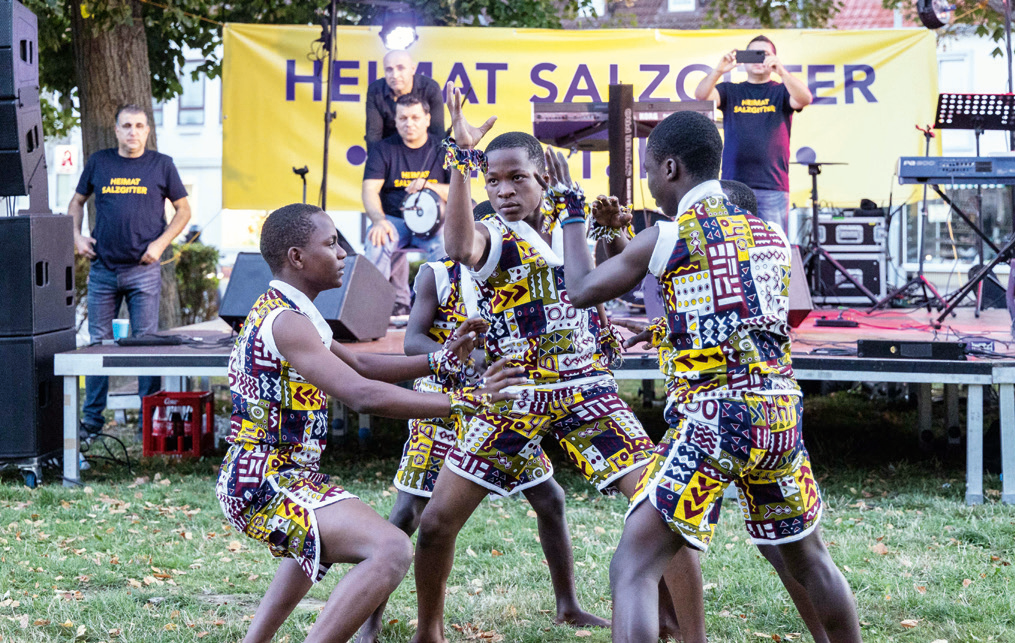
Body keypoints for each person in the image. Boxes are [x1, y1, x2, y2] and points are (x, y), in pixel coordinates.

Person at [408, 83, 706, 643]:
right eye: (492, 180)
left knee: (665, 509)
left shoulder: (575, 217)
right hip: (516, 396)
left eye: (515, 176)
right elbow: (455, 246)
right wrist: (461, 161)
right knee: (435, 525)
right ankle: (430, 631)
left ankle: (683, 631)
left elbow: (616, 274)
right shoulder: (494, 238)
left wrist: (614, 231)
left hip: (589, 390)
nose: (502, 190)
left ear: (543, 176)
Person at [559, 110, 861, 643]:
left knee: (633, 566)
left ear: (671, 167)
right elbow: (727, 319)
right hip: (779, 417)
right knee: (808, 559)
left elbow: (582, 289)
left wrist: (571, 213)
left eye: (650, 172)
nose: (650, 184)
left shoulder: (670, 236)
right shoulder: (768, 235)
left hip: (713, 420)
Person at [215, 203, 524, 643]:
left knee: (313, 545)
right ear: (297, 257)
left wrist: (439, 357)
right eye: (330, 243)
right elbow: (359, 394)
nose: (343, 253)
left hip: (279, 474)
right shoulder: (286, 322)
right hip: (264, 479)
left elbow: (360, 365)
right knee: (392, 548)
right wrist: (464, 401)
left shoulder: (292, 311)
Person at [355, 256, 609, 643]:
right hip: (443, 407)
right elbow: (412, 342)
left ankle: (568, 606)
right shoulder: (438, 274)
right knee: (408, 514)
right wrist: (471, 357)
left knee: (550, 497)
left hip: (501, 411)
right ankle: (369, 623)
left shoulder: (524, 275)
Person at [68, 104, 191, 435]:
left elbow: (183, 211)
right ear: (117, 130)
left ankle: (148, 422)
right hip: (103, 269)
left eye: (139, 125)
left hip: (143, 269)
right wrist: (76, 236)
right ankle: (92, 421)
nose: (133, 131)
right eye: (126, 126)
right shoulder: (99, 162)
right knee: (98, 344)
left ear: (147, 130)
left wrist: (160, 245)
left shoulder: (161, 165)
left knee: (145, 344)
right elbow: (76, 202)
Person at [694, 35, 813, 234]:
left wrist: (781, 71)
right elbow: (701, 96)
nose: (759, 60)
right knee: (732, 245)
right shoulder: (731, 91)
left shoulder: (782, 91)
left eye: (764, 55)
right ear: (743, 60)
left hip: (772, 185)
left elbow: (804, 98)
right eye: (753, 54)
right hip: (733, 184)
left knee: (773, 246)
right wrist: (718, 71)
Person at [363, 93, 451, 315]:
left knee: (445, 243)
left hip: (434, 223)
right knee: (377, 241)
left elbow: (459, 193)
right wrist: (378, 221)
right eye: (402, 118)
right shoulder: (383, 149)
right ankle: (374, 312)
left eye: (415, 117)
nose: (408, 123)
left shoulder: (443, 149)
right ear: (395, 120)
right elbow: (370, 189)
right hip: (396, 220)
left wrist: (429, 186)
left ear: (427, 119)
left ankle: (438, 312)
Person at [365, 49, 445, 147]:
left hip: (423, 151)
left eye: (400, 68)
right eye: (389, 69)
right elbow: (373, 135)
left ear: (413, 69)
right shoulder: (376, 90)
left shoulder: (430, 88)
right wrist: (376, 161)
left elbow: (437, 132)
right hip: (388, 150)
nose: (395, 75)